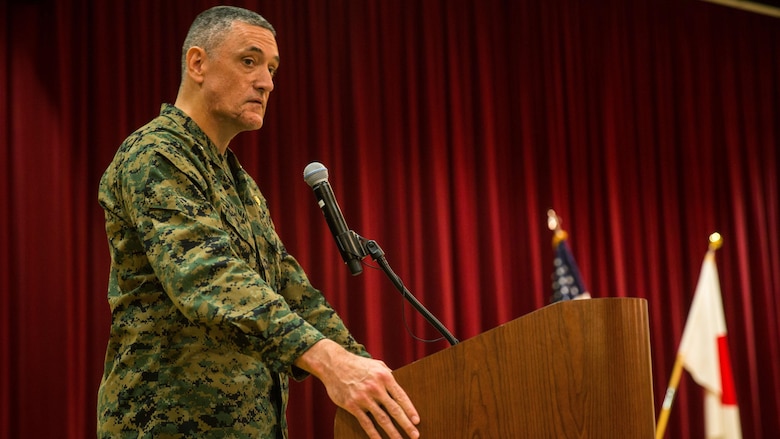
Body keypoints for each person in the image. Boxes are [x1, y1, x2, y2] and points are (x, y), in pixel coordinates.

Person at [96, 6, 420, 439]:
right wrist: (327, 361)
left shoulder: (237, 180)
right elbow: (207, 279)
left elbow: (289, 289)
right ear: (198, 64)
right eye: (249, 62)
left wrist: (362, 368)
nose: (266, 82)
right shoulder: (155, 154)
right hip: (166, 425)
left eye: (271, 68)